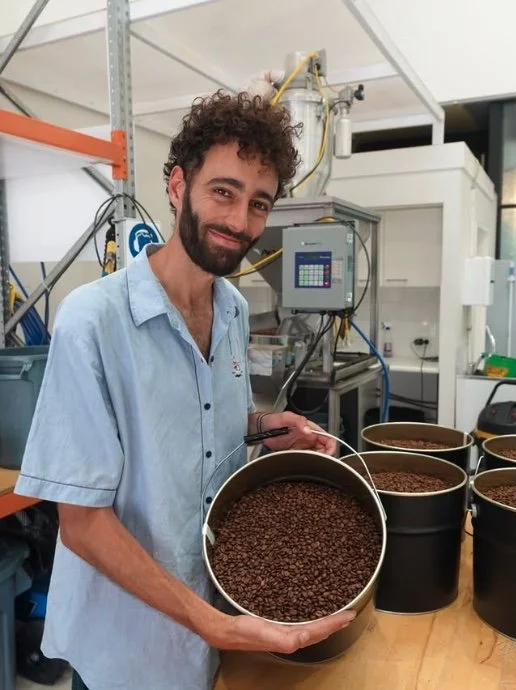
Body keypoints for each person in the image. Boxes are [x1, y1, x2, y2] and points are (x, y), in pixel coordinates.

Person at [15, 90, 356, 690]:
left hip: (212, 618)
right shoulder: (93, 321)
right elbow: (82, 525)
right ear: (177, 186)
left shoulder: (232, 308)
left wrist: (262, 429)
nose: (238, 221)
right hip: (128, 648)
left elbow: (198, 423)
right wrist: (215, 626)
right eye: (222, 192)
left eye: (258, 203)